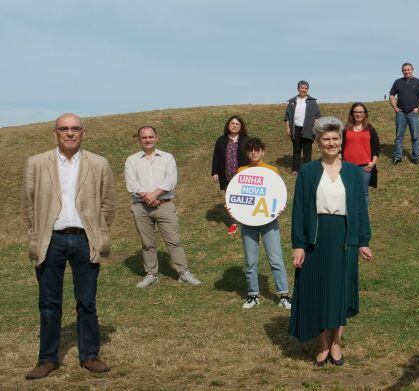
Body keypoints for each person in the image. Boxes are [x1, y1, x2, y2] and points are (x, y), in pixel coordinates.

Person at [21, 113, 116, 379]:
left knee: (87, 301)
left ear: (83, 132)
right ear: (55, 133)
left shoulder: (99, 163)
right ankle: (47, 359)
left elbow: (108, 204)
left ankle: (90, 355)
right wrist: (37, 232)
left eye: (75, 128)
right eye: (64, 129)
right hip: (50, 240)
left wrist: (97, 229)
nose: (70, 133)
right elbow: (28, 205)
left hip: (85, 239)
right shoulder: (36, 163)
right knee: (49, 302)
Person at [290, 116, 374, 366]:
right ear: (317, 142)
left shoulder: (352, 172)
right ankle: (323, 345)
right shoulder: (307, 172)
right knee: (318, 291)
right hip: (317, 238)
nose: (331, 143)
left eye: (335, 138)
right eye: (326, 139)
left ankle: (337, 344)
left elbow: (360, 208)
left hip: (344, 238)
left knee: (339, 291)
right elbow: (299, 211)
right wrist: (298, 245)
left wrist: (363, 241)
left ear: (341, 141)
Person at [124, 125, 201, 288]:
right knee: (147, 243)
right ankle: (151, 274)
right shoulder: (131, 160)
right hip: (141, 207)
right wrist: (147, 198)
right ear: (139, 140)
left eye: (150, 137)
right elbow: (132, 184)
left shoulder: (167, 157)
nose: (148, 140)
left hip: (164, 205)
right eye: (144, 137)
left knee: (173, 240)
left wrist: (153, 196)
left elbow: (170, 180)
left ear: (156, 138)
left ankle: (183, 273)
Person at [235, 138, 291, 309]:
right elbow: (237, 196)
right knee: (250, 259)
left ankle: (284, 295)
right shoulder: (241, 171)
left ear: (263, 151)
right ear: (246, 152)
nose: (254, 152)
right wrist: (234, 209)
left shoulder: (271, 170)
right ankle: (253, 294)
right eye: (251, 150)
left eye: (257, 149)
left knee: (275, 258)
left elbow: (278, 194)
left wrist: (280, 207)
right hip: (248, 221)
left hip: (269, 220)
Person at [211, 115, 251, 235]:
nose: (234, 126)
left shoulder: (246, 140)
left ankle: (248, 220)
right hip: (227, 176)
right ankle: (234, 222)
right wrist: (214, 172)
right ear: (228, 126)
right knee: (231, 200)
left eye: (237, 124)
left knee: (246, 198)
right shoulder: (221, 140)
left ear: (241, 127)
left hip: (244, 176)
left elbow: (252, 156)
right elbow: (216, 158)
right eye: (232, 123)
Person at [389, 62, 419, 164]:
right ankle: (397, 157)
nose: (406, 72)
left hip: (413, 113)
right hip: (401, 113)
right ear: (402, 71)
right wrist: (395, 107)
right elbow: (391, 95)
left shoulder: (418, 82)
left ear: (412, 70)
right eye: (404, 70)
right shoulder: (397, 82)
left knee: (415, 136)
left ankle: (415, 157)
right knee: (399, 137)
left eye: (408, 70)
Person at [341, 102, 381, 198]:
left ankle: (364, 213)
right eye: (356, 112)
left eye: (361, 112)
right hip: (348, 167)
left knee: (363, 193)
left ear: (364, 113)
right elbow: (339, 147)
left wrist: (373, 163)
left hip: (365, 167)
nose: (359, 114)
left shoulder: (370, 129)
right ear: (352, 113)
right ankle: (350, 213)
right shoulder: (345, 129)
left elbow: (376, 147)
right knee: (348, 193)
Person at [284, 80, 322, 174]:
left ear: (308, 89)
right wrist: (288, 128)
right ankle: (296, 169)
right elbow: (287, 116)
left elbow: (317, 116)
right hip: (296, 128)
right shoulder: (292, 102)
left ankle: (307, 169)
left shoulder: (312, 101)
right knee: (296, 150)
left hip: (308, 129)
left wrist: (317, 129)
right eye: (302, 88)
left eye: (306, 88)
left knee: (307, 150)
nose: (303, 90)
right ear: (298, 89)